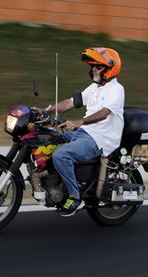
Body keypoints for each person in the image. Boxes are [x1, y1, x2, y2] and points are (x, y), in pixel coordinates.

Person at [40, 47, 125, 217]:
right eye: (93, 66)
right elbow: (69, 103)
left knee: (61, 155)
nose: (93, 69)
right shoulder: (94, 88)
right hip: (84, 132)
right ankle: (52, 182)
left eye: (98, 66)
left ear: (110, 69)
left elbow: (104, 113)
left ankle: (75, 196)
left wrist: (80, 122)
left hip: (100, 139)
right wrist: (43, 110)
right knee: (46, 138)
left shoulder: (116, 89)